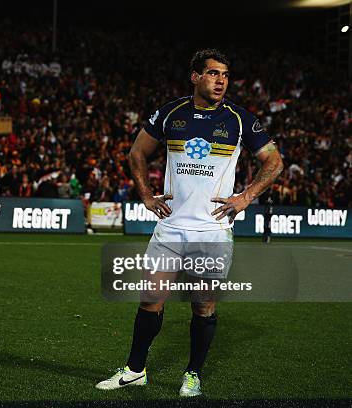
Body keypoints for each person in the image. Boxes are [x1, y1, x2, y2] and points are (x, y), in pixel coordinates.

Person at [95, 49, 283, 397]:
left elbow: (274, 162)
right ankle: (135, 370)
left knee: (203, 304)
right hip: (170, 229)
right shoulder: (170, 113)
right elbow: (137, 152)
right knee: (150, 300)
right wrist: (146, 195)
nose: (221, 80)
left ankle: (192, 374)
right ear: (195, 76)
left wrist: (245, 197)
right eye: (213, 73)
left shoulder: (239, 119)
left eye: (225, 74)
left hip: (212, 230)